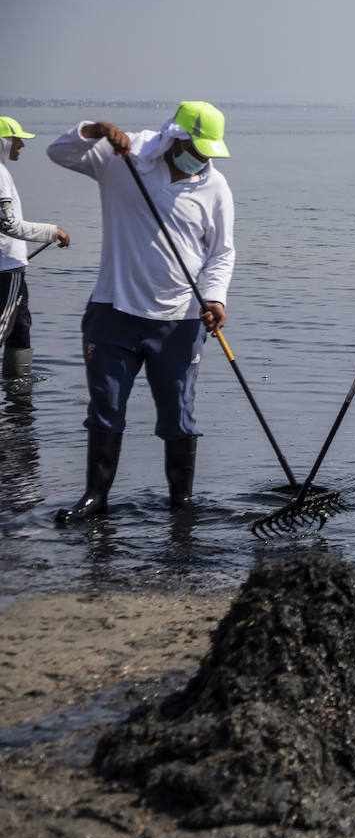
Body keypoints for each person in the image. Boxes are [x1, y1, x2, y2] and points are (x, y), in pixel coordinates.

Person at [47, 102, 233, 523]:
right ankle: (95, 498)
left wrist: (216, 298)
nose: (200, 159)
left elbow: (222, 253)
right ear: (175, 137)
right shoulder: (124, 157)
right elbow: (59, 153)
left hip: (181, 320)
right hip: (114, 311)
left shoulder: (215, 186)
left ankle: (181, 502)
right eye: (194, 148)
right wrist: (91, 130)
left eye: (208, 152)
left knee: (178, 413)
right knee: (106, 406)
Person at [1, 116, 71, 379]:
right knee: (3, 328)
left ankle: (19, 401)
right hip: (5, 270)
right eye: (18, 140)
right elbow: (7, 225)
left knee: (20, 326)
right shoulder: (0, 174)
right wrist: (51, 232)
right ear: (4, 142)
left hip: (13, 268)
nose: (22, 145)